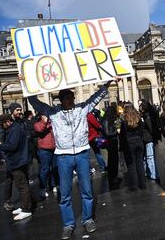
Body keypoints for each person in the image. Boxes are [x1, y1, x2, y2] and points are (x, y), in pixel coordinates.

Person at [25, 75, 115, 240]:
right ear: (61, 100)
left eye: (72, 96)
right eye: (67, 97)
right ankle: (68, 224)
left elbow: (96, 98)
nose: (71, 99)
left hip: (81, 154)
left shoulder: (82, 109)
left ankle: (87, 219)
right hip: (63, 157)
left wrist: (108, 82)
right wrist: (26, 81)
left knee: (87, 191)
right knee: (64, 194)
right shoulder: (53, 113)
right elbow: (35, 103)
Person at [0, 113, 32, 221]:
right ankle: (24, 206)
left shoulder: (15, 129)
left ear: (7, 122)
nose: (1, 127)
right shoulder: (14, 128)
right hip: (18, 160)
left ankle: (26, 209)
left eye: (2, 124)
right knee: (21, 184)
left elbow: (12, 146)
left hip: (18, 160)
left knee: (22, 185)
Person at [119, 104, 146, 191]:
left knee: (131, 165)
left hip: (129, 143)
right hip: (138, 141)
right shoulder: (138, 119)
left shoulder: (124, 121)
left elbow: (122, 136)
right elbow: (142, 131)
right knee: (140, 163)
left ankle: (134, 185)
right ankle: (143, 184)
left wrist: (122, 147)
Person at [34, 113, 58, 198]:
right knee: (45, 169)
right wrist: (45, 121)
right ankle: (43, 188)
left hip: (54, 148)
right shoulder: (38, 124)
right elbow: (40, 130)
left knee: (54, 168)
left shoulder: (52, 123)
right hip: (44, 149)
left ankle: (53, 184)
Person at [101, 104, 122, 184]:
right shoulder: (106, 121)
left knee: (115, 160)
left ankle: (114, 176)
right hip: (110, 142)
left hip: (114, 141)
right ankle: (112, 177)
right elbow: (107, 133)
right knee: (112, 160)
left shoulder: (111, 120)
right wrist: (116, 132)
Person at [139, 100, 157, 180]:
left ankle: (153, 174)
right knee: (149, 157)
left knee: (150, 157)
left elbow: (150, 128)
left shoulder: (146, 116)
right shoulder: (145, 116)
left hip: (148, 138)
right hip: (147, 138)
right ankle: (151, 173)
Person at [87, 109, 108, 173]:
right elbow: (97, 125)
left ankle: (89, 169)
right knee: (97, 152)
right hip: (93, 136)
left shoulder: (82, 116)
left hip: (87, 137)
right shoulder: (89, 115)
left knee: (87, 154)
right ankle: (103, 167)